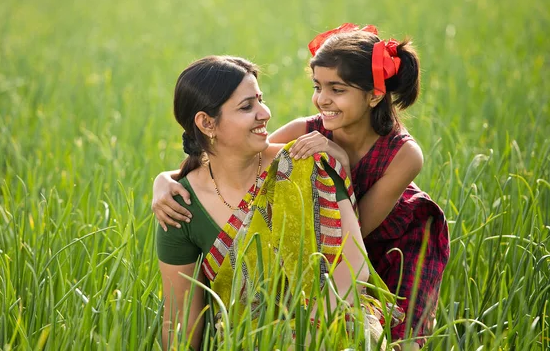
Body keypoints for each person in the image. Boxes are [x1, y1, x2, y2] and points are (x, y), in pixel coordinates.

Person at [152, 24, 450, 347]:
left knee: (401, 334)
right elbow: (226, 158)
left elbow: (352, 251)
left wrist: (340, 167)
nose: (265, 113)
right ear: (206, 123)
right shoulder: (182, 204)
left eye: (260, 101)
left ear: (374, 95)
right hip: (307, 282)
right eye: (246, 106)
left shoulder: (325, 162)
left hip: (386, 249)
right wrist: (165, 179)